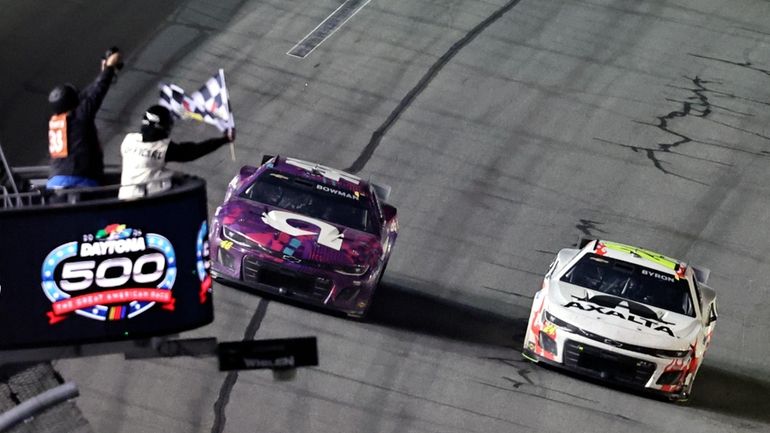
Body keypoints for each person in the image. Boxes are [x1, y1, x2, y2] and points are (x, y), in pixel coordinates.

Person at [119, 105, 235, 199]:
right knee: (187, 187)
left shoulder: (129, 140)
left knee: (175, 177)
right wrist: (224, 140)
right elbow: (193, 151)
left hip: (124, 194)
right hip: (145, 200)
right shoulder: (162, 148)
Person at [46, 48, 123, 190]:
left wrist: (105, 72)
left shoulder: (56, 121)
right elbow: (97, 92)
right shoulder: (80, 116)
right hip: (79, 181)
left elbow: (86, 94)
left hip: (55, 180)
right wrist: (110, 68)